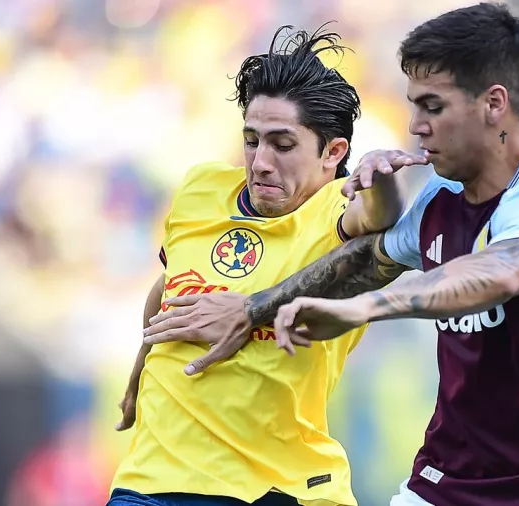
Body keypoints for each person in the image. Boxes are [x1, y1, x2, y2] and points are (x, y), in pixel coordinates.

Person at [144, 4, 519, 506]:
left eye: (432, 106)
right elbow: (363, 263)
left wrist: (370, 307)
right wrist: (256, 306)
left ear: (494, 104)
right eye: (413, 104)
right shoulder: (438, 198)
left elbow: (499, 273)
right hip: (451, 481)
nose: (415, 124)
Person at [110, 24, 427, 506]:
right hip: (153, 481)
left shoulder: (333, 213)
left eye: (282, 145)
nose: (259, 162)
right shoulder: (200, 189)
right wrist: (139, 372)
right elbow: (166, 284)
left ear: (333, 152)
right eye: (252, 140)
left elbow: (380, 216)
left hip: (279, 488)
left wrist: (379, 177)